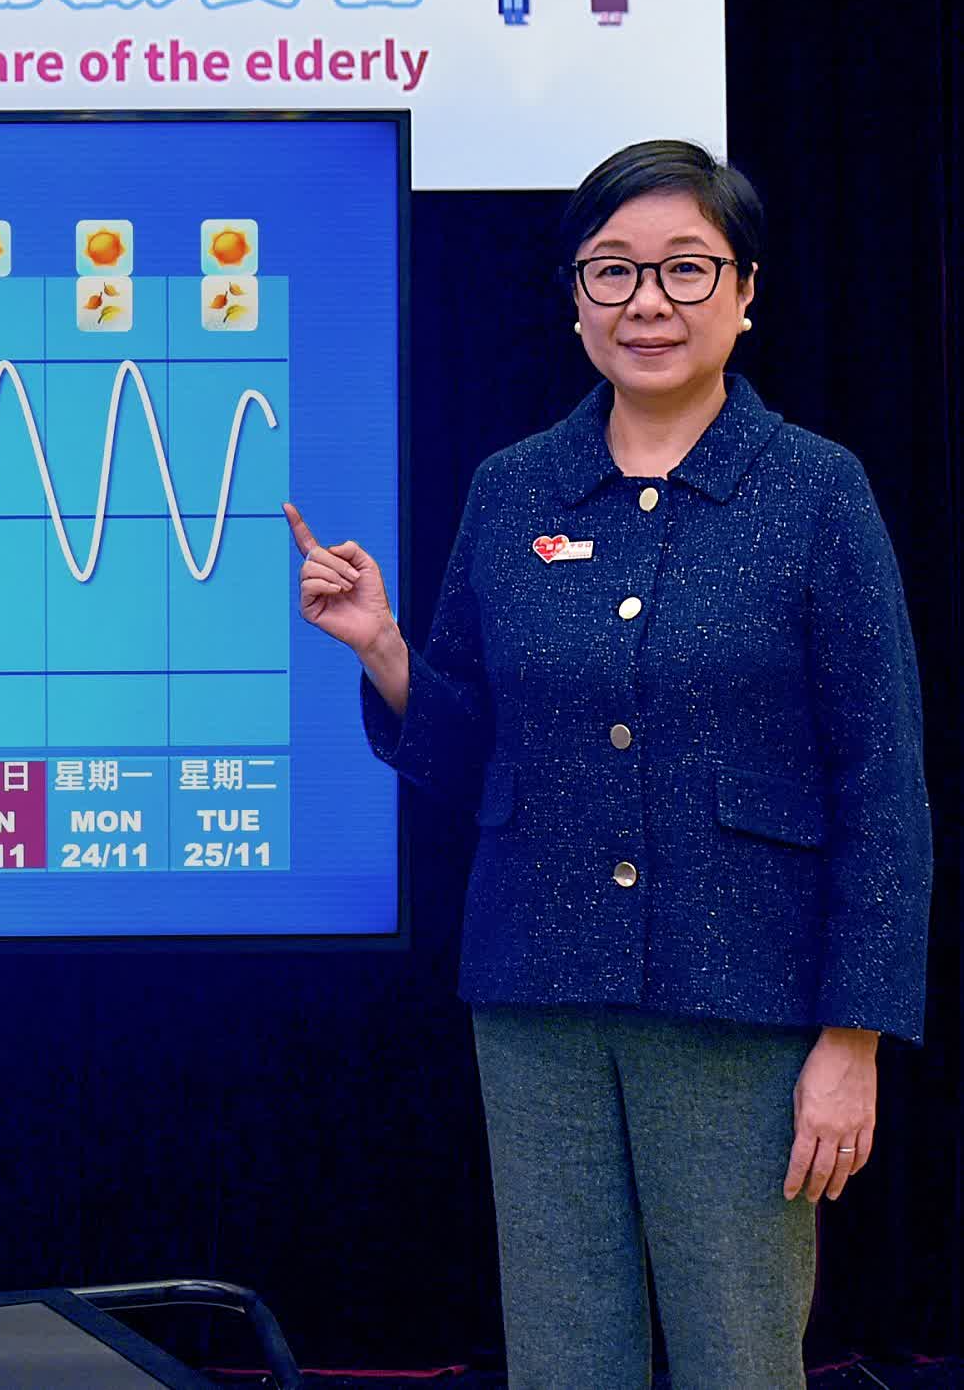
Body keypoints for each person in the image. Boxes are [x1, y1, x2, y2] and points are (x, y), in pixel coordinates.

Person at [283, 141, 930, 1388]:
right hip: (539, 999)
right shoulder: (513, 488)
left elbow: (881, 786)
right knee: (563, 1354)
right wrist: (382, 647)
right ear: (574, 300)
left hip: (742, 1002)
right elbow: (469, 758)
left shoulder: (815, 492)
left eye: (686, 269)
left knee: (738, 1354)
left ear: (745, 292)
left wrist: (851, 1038)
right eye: (613, 271)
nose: (648, 302)